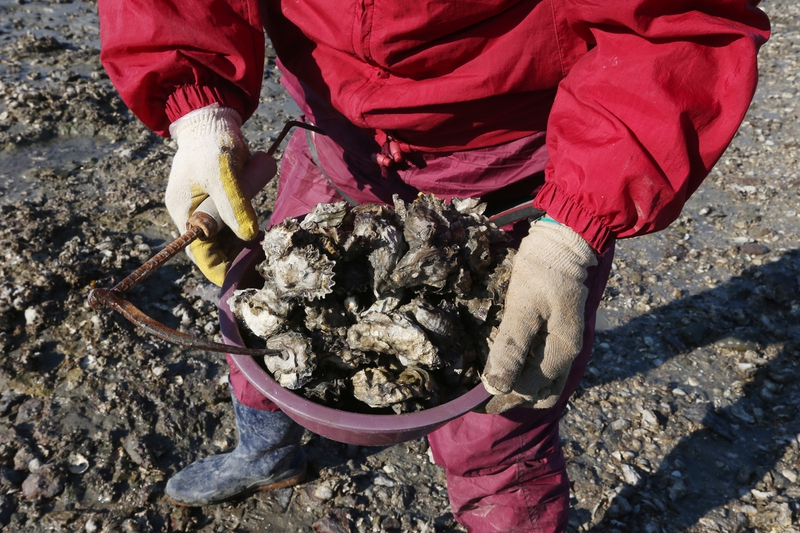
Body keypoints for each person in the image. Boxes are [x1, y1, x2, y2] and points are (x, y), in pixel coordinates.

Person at [97, 1, 769, 530]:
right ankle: (266, 453)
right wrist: (198, 109)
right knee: (260, 323)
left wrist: (576, 225)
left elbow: (679, 24)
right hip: (333, 137)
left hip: (516, 175)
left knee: (504, 407)